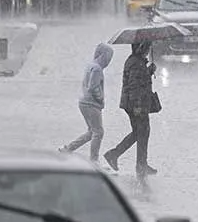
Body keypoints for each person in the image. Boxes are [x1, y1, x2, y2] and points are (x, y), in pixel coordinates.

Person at [104, 41, 159, 176]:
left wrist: (149, 71)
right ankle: (131, 161)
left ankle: (138, 163)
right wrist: (138, 106)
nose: (147, 51)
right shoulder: (136, 63)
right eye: (146, 48)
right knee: (142, 132)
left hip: (136, 104)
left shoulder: (137, 62)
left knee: (140, 132)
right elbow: (134, 86)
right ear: (141, 48)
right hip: (136, 105)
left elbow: (140, 80)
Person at [59, 42, 114, 162]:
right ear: (102, 55)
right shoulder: (97, 69)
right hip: (91, 104)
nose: (109, 61)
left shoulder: (91, 65)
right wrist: (100, 99)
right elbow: (93, 87)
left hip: (84, 102)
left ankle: (68, 149)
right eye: (108, 57)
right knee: (98, 132)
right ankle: (94, 160)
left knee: (91, 132)